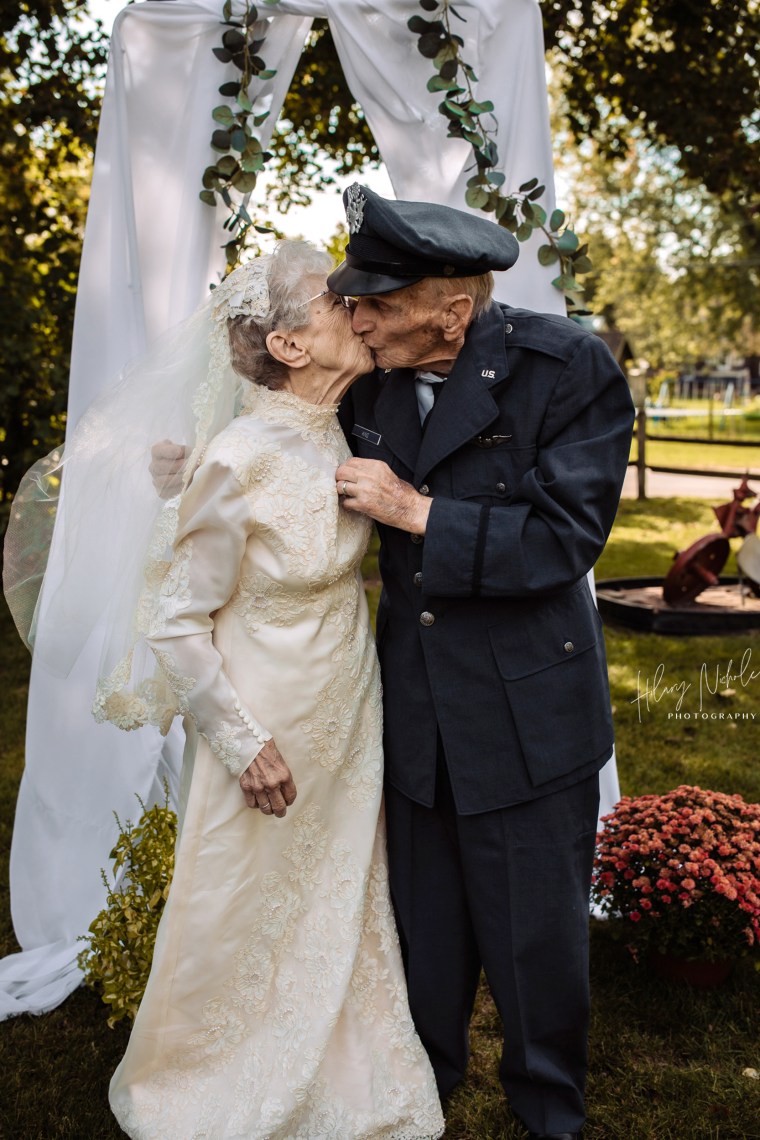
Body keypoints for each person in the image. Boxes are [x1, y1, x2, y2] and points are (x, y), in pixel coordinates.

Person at [8, 242, 444, 1139]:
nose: (359, 310)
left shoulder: (342, 424)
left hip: (347, 705)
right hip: (265, 715)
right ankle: (206, 1077)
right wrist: (243, 742)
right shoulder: (237, 456)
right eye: (335, 302)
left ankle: (343, 1062)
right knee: (242, 895)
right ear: (288, 347)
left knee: (341, 890)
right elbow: (177, 621)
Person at [325, 185, 636, 1140]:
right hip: (413, 707)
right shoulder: (366, 379)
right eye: (355, 299)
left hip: (526, 714)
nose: (357, 317)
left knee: (535, 941)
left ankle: (549, 1110)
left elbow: (562, 542)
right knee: (426, 933)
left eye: (377, 303)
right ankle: (423, 1095)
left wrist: (415, 512)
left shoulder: (569, 367)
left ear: (451, 312)